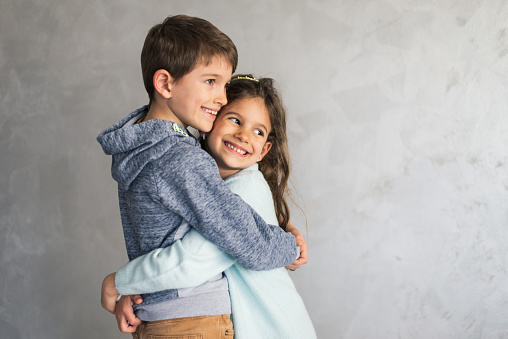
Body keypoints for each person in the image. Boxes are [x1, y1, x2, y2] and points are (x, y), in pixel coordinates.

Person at [96, 15, 305, 338]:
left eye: (224, 84)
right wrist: (289, 245)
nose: (221, 97)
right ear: (165, 84)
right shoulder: (183, 160)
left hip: (164, 313)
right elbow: (234, 244)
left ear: (266, 148)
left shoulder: (142, 146)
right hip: (191, 319)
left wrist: (130, 286)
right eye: (211, 82)